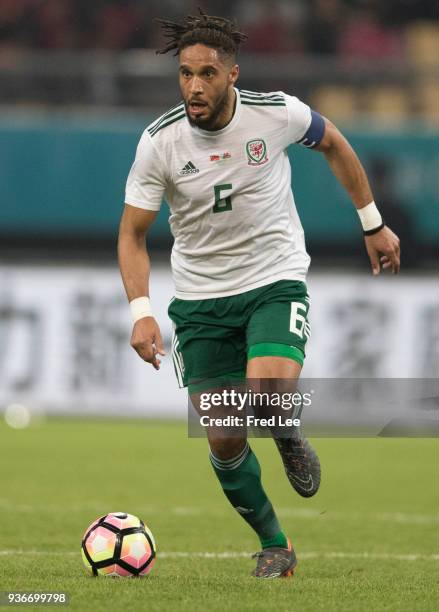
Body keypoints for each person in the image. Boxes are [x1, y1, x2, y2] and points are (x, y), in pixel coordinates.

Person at [118, 9, 400, 579]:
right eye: (185, 74)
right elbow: (132, 233)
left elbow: (336, 144)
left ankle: (286, 431)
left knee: (270, 386)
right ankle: (276, 542)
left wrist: (372, 223)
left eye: (207, 73)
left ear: (233, 74)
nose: (194, 86)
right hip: (199, 298)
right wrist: (142, 312)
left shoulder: (277, 114)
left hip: (273, 278)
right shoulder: (160, 142)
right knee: (223, 439)